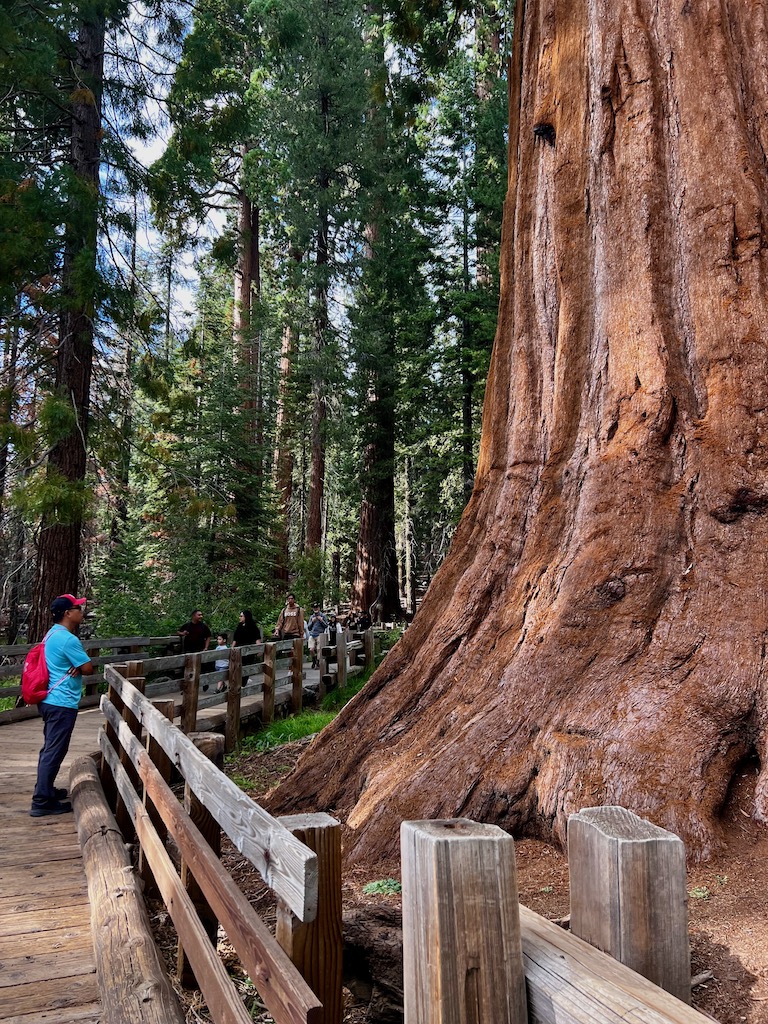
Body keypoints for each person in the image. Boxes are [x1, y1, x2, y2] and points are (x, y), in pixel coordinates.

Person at [30, 594, 94, 817]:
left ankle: (45, 791)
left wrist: (75, 665)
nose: (81, 611)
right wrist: (80, 666)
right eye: (77, 607)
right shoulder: (68, 639)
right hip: (61, 702)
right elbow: (88, 668)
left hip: (49, 700)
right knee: (55, 750)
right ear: (67, 613)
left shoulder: (51, 634)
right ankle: (41, 801)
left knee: (49, 748)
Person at [307, 603, 328, 669]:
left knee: (319, 649)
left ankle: (318, 662)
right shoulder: (312, 617)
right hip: (312, 634)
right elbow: (309, 627)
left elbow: (326, 625)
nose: (315, 609)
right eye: (314, 608)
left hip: (320, 634)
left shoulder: (323, 615)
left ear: (319, 608)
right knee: (311, 649)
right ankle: (314, 660)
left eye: (317, 607)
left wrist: (321, 620)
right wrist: (312, 622)